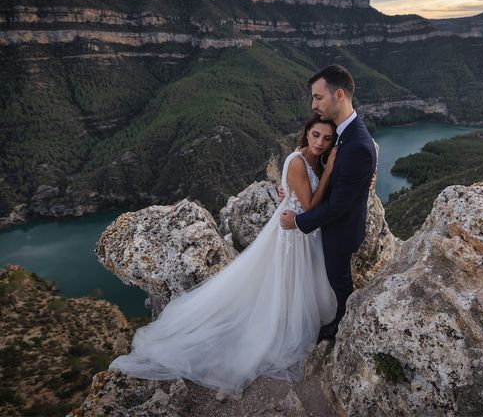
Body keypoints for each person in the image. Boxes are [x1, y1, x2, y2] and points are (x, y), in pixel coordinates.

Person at [109, 115, 339, 394]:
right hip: (294, 234)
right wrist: (327, 174)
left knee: (291, 284)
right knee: (287, 282)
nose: (320, 142)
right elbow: (311, 206)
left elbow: (298, 196)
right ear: (307, 132)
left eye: (327, 138)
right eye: (316, 135)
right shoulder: (299, 162)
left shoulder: (313, 158)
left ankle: (291, 319)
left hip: (300, 231)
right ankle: (277, 329)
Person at [280, 64, 377, 342]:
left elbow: (337, 206)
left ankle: (343, 328)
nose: (313, 104)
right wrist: (290, 183)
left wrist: (297, 221)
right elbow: (323, 163)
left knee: (340, 282)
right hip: (329, 225)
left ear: (339, 95)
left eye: (318, 97)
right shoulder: (342, 130)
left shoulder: (357, 143)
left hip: (340, 232)